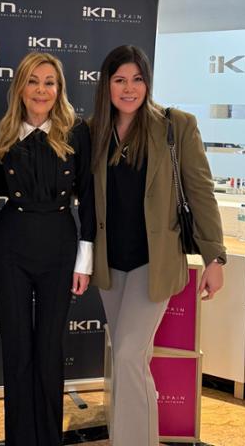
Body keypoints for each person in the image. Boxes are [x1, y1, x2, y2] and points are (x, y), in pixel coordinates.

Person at [88, 45, 227, 446]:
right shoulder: (94, 130)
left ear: (148, 82)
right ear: (107, 85)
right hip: (110, 264)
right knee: (130, 361)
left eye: (137, 79)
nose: (129, 88)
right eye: (119, 80)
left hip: (155, 263)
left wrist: (215, 257)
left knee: (129, 356)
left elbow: (200, 191)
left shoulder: (175, 126)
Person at [0, 52, 95, 445]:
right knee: (17, 349)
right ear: (20, 87)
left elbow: (90, 198)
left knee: (50, 349)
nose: (41, 90)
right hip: (10, 247)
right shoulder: (1, 133)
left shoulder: (76, 133)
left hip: (60, 247)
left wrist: (85, 260)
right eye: (33, 81)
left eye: (49, 82)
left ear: (59, 88)